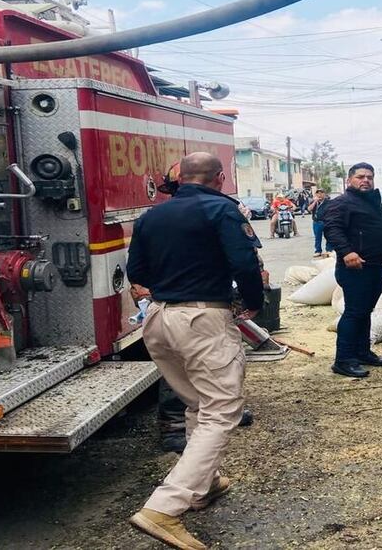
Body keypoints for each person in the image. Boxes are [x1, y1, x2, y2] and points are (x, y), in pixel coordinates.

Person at [126, 152, 264, 550]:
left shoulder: (151, 216)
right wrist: (252, 303)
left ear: (181, 178)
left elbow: (138, 272)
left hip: (157, 319)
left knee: (198, 405)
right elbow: (244, 262)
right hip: (202, 319)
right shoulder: (223, 210)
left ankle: (203, 486)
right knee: (222, 411)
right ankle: (164, 508)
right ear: (220, 178)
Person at [323, 163, 382, 378]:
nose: (366, 180)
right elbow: (332, 228)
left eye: (369, 176)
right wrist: (346, 252)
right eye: (360, 177)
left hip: (376, 267)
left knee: (365, 312)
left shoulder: (375, 204)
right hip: (355, 268)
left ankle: (362, 352)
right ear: (349, 180)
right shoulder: (342, 203)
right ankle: (343, 360)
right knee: (354, 312)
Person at [308, 189, 334, 258]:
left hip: (326, 222)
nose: (319, 195)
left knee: (328, 236)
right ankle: (318, 251)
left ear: (324, 194)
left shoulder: (328, 202)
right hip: (316, 222)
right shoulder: (314, 202)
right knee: (317, 237)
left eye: (321, 193)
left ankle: (329, 250)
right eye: (318, 193)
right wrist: (315, 202)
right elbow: (309, 209)